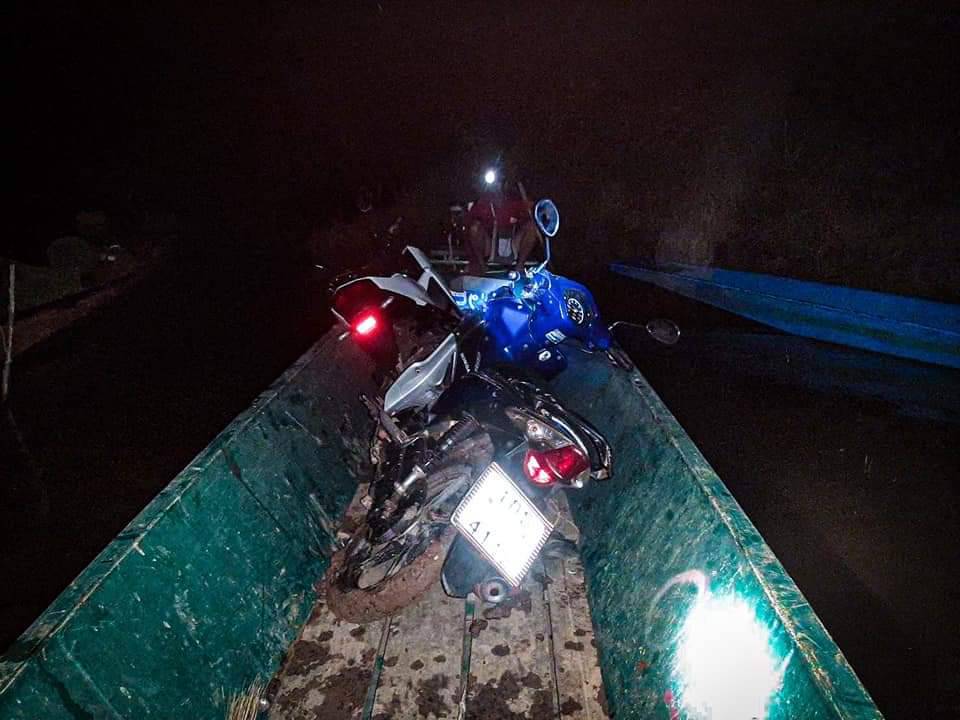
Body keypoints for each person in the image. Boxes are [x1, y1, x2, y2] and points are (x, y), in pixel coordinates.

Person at [464, 177, 540, 274]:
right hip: (491, 245)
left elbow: (530, 213)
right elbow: (469, 227)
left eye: (499, 184)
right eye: (495, 185)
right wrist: (472, 260)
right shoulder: (483, 202)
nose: (497, 188)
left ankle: (520, 266)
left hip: (511, 243)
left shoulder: (514, 202)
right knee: (475, 228)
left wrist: (534, 208)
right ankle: (481, 265)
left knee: (532, 227)